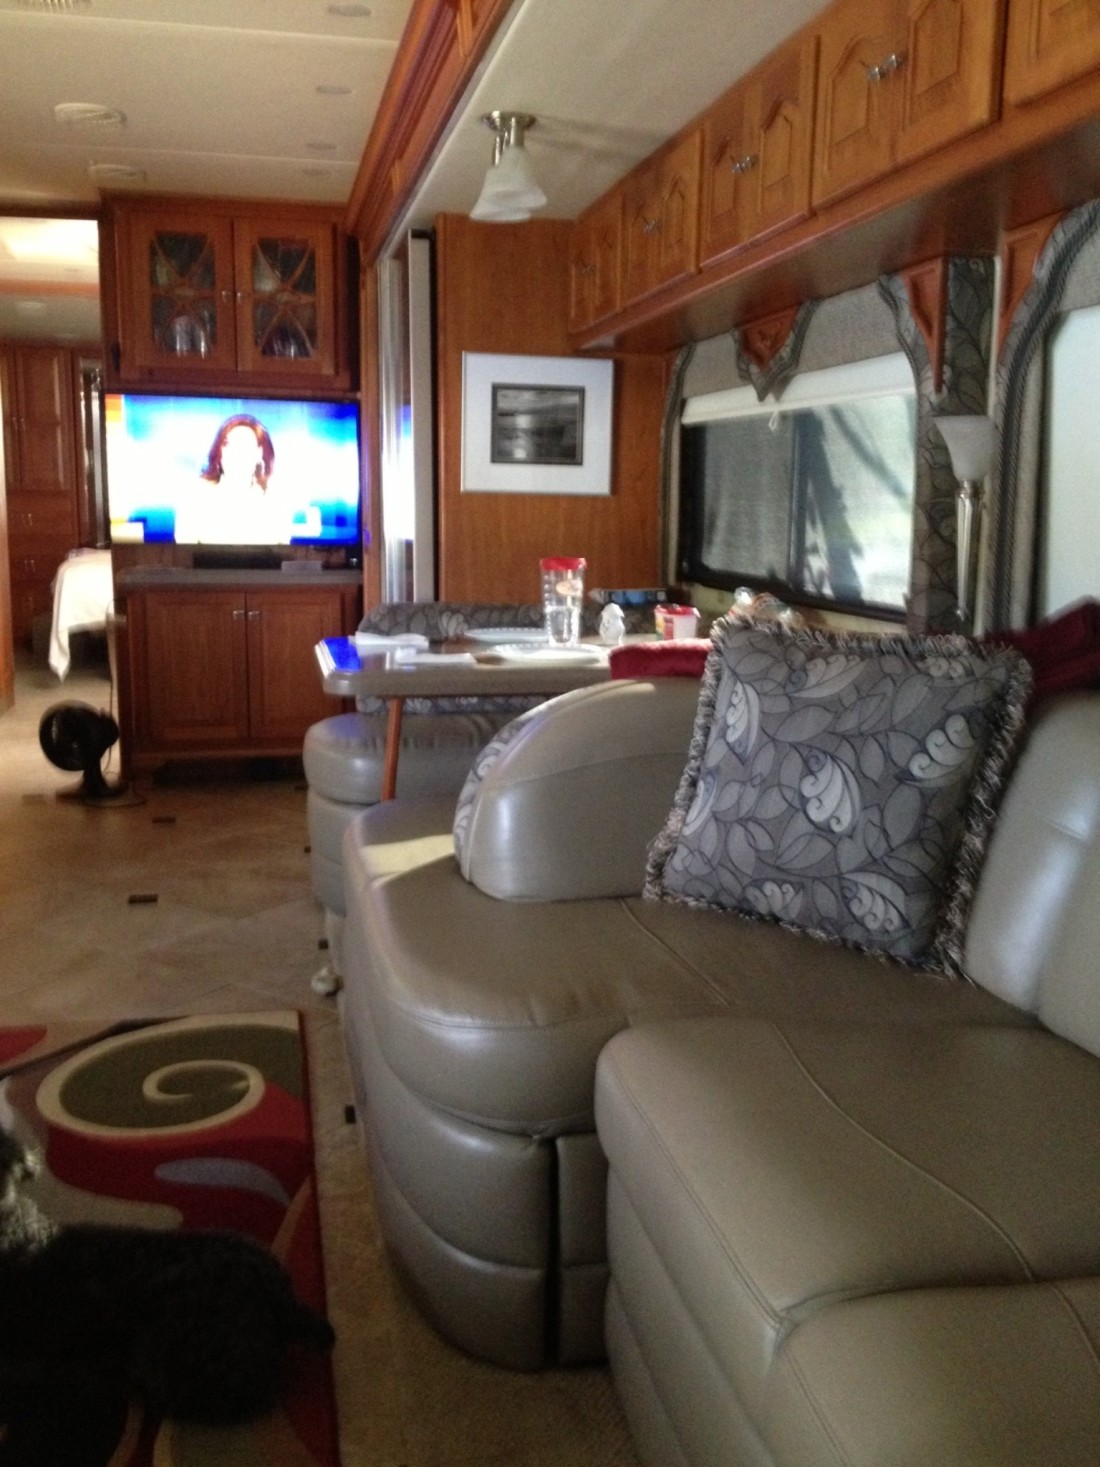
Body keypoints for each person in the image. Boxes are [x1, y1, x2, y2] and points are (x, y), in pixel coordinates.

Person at [175, 414, 293, 545]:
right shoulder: (196, 497)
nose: (234, 452)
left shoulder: (275, 502)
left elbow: (283, 550)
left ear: (258, 453)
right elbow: (184, 551)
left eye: (244, 445)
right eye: (227, 444)